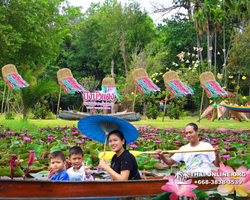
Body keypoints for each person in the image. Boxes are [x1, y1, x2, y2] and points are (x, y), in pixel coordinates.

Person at [156, 123, 220, 175]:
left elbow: (217, 164)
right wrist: (162, 156)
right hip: (190, 177)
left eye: (190, 132)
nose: (188, 135)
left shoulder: (207, 146)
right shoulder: (184, 148)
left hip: (204, 177)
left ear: (197, 132)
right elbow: (170, 162)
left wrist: (216, 154)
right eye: (186, 133)